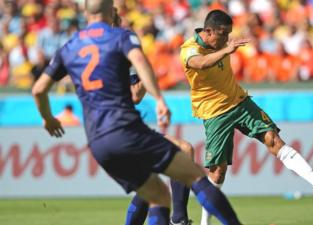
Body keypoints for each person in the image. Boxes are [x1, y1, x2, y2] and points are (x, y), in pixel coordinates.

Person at [31, 1, 243, 225]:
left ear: (85, 11)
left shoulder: (69, 47)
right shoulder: (121, 37)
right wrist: (159, 98)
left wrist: (48, 118)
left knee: (156, 193)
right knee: (193, 174)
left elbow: (38, 89)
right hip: (126, 129)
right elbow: (140, 69)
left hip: (97, 141)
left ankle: (178, 219)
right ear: (109, 12)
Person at [179, 10, 313, 225]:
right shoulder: (189, 49)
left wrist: (226, 48)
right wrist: (227, 50)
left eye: (228, 34)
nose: (226, 38)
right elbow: (201, 63)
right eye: (223, 34)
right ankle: (204, 222)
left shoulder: (221, 45)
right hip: (214, 113)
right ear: (208, 32)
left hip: (240, 101)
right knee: (218, 173)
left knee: (273, 139)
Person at [125, 71, 194, 225]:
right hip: (117, 134)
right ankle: (178, 219)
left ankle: (179, 219)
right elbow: (134, 95)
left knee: (184, 150)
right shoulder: (120, 57)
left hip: (132, 131)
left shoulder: (131, 58)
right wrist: (149, 78)